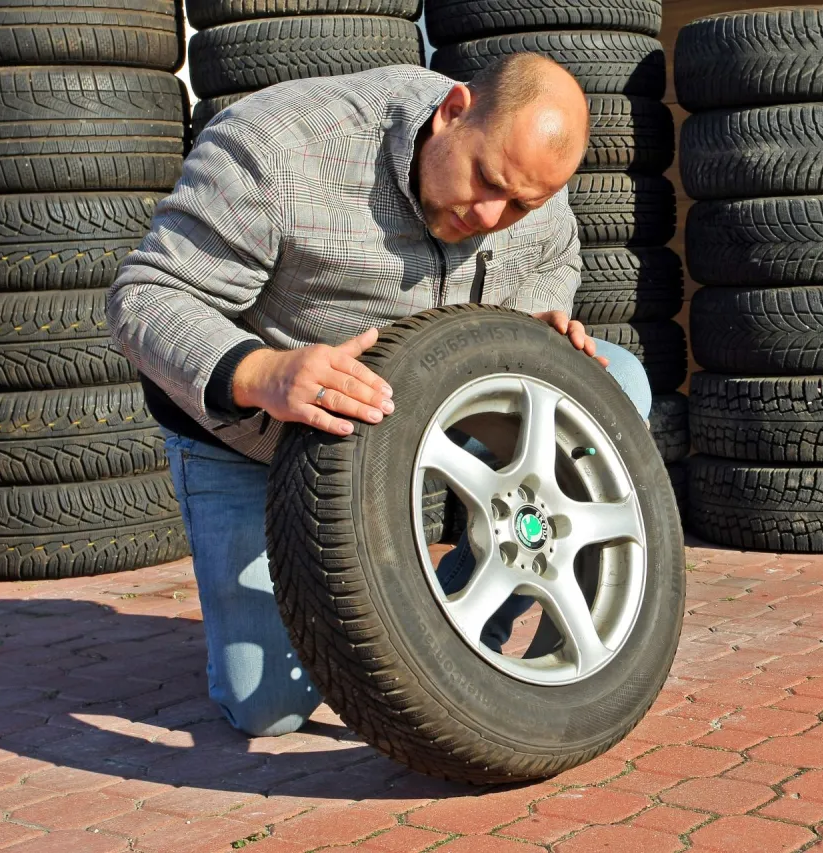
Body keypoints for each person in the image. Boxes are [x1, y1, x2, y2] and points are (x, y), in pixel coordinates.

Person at [107, 56, 652, 738]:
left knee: (614, 383)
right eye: (485, 181)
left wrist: (531, 333)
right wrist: (264, 372)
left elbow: (551, 268)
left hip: (407, 415)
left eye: (520, 203)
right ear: (453, 112)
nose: (491, 216)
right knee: (266, 707)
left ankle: (483, 593)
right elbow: (147, 296)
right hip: (255, 437)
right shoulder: (276, 149)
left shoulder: (532, 189)